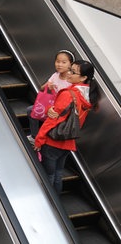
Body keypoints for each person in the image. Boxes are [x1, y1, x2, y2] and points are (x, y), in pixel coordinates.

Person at [34, 59, 98, 193]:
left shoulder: (68, 94)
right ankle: (57, 204)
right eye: (70, 70)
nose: (68, 73)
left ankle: (51, 203)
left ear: (84, 77)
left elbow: (52, 120)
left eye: (73, 72)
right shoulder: (87, 95)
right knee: (57, 175)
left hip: (53, 141)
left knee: (48, 176)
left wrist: (39, 139)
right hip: (68, 141)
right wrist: (50, 109)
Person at [26, 49, 74, 143]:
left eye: (64, 62)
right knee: (30, 110)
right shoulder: (55, 75)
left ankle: (45, 138)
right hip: (49, 105)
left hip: (60, 111)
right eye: (57, 61)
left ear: (70, 64)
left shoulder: (71, 80)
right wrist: (48, 85)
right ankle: (34, 136)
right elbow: (41, 89)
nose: (59, 64)